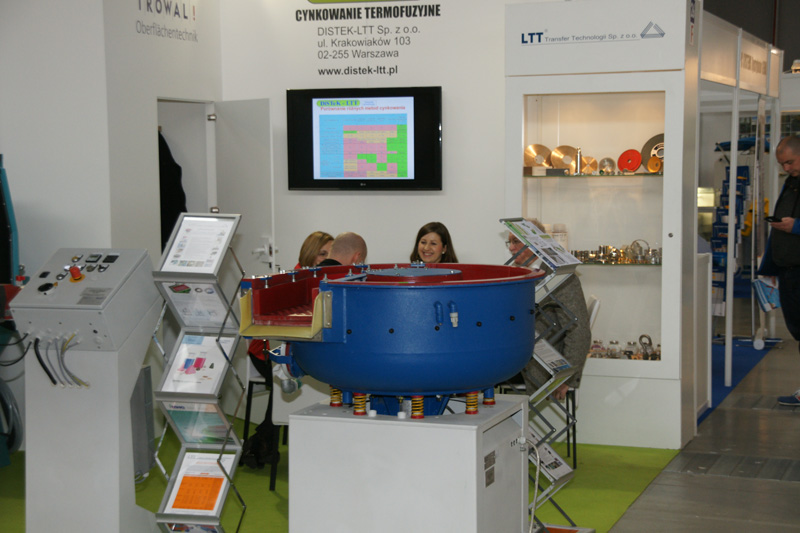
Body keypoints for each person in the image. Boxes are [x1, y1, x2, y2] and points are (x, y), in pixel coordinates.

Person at [507, 224, 591, 401]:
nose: (511, 248)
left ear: (535, 242)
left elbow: (579, 329)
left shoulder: (561, 276)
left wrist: (566, 376)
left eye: (516, 241)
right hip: (515, 354)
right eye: (510, 242)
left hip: (538, 365)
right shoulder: (515, 273)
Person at [758, 135, 800, 405]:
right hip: (788, 271)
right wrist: (771, 266)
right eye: (782, 164)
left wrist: (795, 226)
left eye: (790, 162)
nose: (786, 168)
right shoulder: (791, 183)